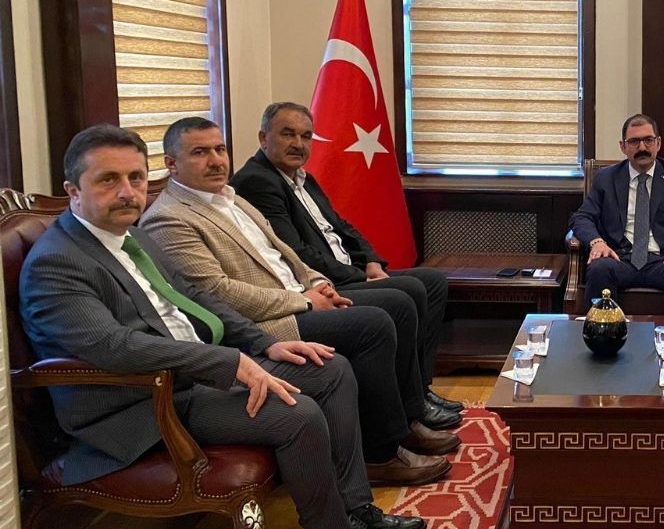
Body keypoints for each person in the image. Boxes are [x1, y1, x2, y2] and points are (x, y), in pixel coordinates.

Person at [20, 125, 427, 529]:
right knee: (297, 413)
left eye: (135, 178)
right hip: (140, 404)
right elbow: (114, 346)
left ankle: (355, 508)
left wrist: (264, 345)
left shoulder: (132, 236)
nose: (127, 192)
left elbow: (196, 297)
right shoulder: (57, 262)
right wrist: (231, 362)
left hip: (189, 375)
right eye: (108, 180)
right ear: (73, 190)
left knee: (329, 368)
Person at [140, 118, 456, 485]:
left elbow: (285, 253)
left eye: (220, 149)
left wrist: (320, 284)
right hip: (267, 321)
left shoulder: (231, 197)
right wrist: (302, 301)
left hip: (299, 294)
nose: (215, 160)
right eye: (200, 152)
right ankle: (379, 454)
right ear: (171, 163)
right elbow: (218, 293)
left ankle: (406, 419)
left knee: (400, 302)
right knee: (374, 322)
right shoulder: (169, 218)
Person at [230, 101, 460, 420]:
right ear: (263, 138)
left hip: (347, 271)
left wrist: (372, 261)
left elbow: (341, 226)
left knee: (432, 282)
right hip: (321, 284)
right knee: (406, 293)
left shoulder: (302, 178)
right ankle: (412, 408)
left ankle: (419, 389)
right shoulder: (258, 181)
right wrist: (359, 276)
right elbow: (295, 252)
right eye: (287, 134)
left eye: (306, 136)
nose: (298, 144)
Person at [568, 114, 664, 333]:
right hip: (619, 258)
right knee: (599, 268)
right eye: (634, 141)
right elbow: (582, 217)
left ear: (658, 143)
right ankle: (605, 340)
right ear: (623, 146)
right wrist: (597, 242)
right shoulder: (606, 178)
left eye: (648, 140)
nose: (642, 147)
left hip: (663, 259)